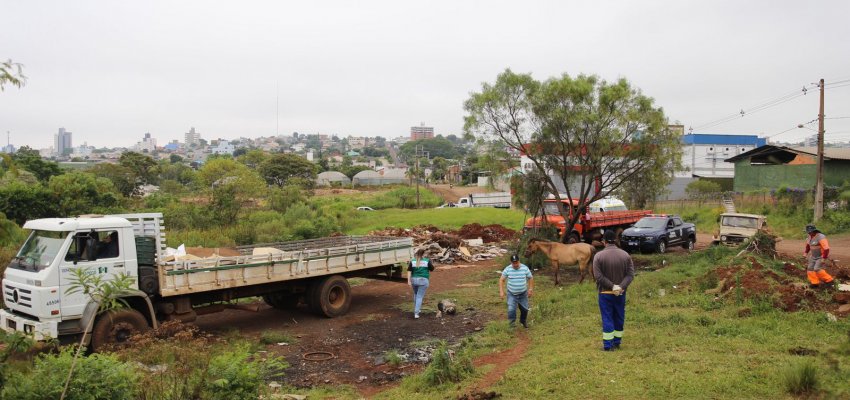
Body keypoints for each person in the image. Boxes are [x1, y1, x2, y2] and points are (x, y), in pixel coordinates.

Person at [592, 230, 635, 351]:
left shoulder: (598, 256)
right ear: (615, 240)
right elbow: (630, 275)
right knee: (619, 316)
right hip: (620, 293)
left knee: (607, 317)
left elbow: (598, 276)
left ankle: (608, 345)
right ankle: (617, 342)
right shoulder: (625, 255)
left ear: (604, 241)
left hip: (605, 293)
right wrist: (620, 287)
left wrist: (612, 286)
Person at [500, 254, 533, 328]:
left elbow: (530, 277)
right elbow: (501, 280)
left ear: (519, 261)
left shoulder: (525, 268)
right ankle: (511, 324)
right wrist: (501, 291)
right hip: (511, 293)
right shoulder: (507, 269)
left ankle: (523, 321)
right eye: (513, 263)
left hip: (523, 293)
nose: (515, 264)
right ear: (511, 262)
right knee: (511, 309)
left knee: (525, 309)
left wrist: (530, 289)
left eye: (516, 262)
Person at [803, 224, 834, 288]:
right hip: (813, 256)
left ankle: (829, 280)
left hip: (821, 256)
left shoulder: (820, 237)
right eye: (808, 232)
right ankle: (814, 283)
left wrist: (824, 258)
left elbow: (826, 248)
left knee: (817, 269)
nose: (809, 233)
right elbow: (808, 246)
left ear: (814, 231)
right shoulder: (809, 236)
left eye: (810, 232)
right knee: (810, 269)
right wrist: (805, 253)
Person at [407, 248, 434, 319]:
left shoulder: (412, 261)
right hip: (423, 280)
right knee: (419, 296)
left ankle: (417, 309)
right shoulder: (427, 261)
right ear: (423, 254)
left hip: (414, 280)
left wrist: (409, 281)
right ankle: (416, 313)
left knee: (416, 294)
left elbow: (409, 271)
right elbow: (432, 269)